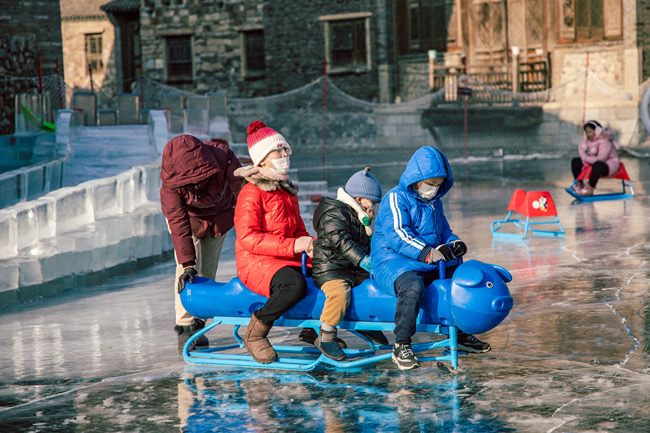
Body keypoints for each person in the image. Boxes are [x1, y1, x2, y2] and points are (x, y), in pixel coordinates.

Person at [371, 146, 491, 370]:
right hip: (392, 260)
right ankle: (402, 344)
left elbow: (442, 231)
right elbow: (398, 235)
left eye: (437, 185)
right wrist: (428, 253)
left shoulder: (435, 202)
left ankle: (462, 334)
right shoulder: (395, 198)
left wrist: (453, 242)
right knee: (413, 287)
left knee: (459, 280)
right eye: (430, 183)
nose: (433, 189)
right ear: (417, 178)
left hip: (423, 258)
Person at [234, 120, 314, 364]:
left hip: (283, 257)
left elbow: (299, 229)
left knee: (328, 270)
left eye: (285, 150)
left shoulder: (286, 190)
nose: (284, 155)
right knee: (294, 285)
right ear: (262, 160)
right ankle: (256, 333)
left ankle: (314, 331)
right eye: (277, 151)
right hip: (257, 262)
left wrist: (313, 244)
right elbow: (248, 238)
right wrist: (293, 246)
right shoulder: (252, 192)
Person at [160, 135, 242, 351]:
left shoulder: (224, 158)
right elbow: (177, 222)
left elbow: (245, 195)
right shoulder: (171, 184)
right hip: (189, 220)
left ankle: (199, 322)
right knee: (186, 271)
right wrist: (188, 263)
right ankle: (185, 325)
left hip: (220, 216)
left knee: (208, 271)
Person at [311, 167, 389, 360]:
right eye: (372, 202)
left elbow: (368, 243)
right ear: (359, 199)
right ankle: (327, 335)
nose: (374, 207)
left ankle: (366, 324)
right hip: (330, 269)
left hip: (350, 268)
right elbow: (341, 241)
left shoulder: (360, 217)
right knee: (339, 292)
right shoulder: (334, 212)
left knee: (374, 285)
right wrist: (362, 259)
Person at [571, 120, 620, 197]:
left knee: (598, 165)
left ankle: (590, 188)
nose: (588, 134)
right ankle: (579, 184)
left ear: (597, 132)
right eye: (586, 132)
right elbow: (584, 154)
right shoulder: (588, 141)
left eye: (590, 132)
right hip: (593, 163)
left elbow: (601, 158)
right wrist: (583, 153)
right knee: (576, 161)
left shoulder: (605, 141)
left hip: (609, 165)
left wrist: (586, 159)